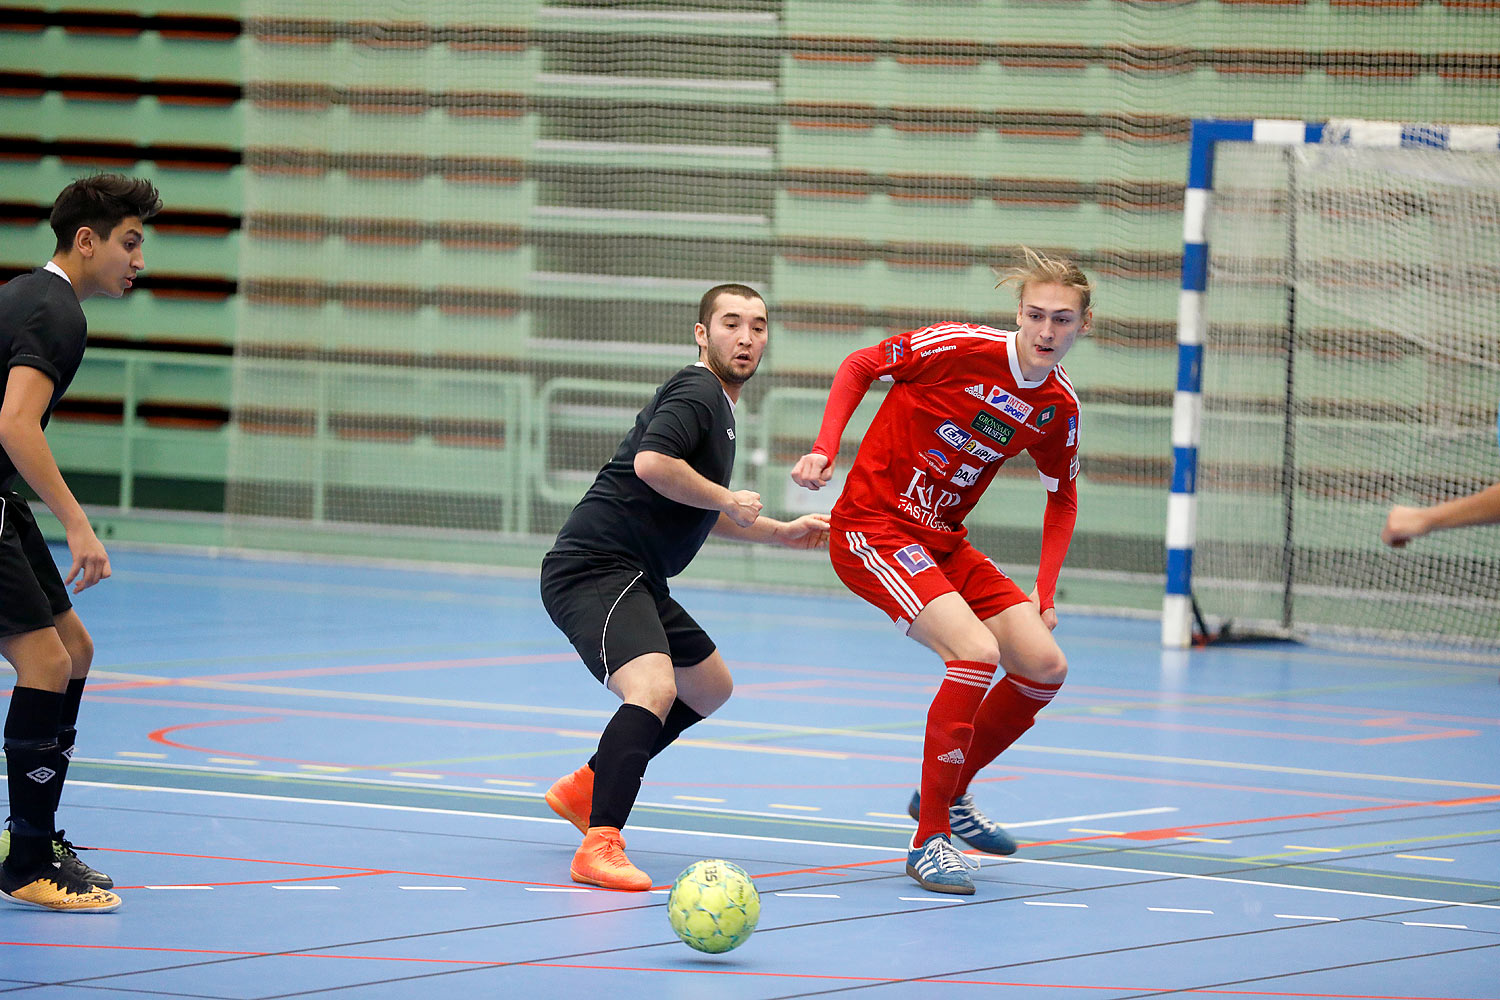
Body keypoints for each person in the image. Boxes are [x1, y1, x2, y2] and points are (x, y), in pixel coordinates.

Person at [790, 247, 1088, 895]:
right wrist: (823, 448)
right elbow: (862, 364)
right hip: (874, 527)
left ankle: (946, 793)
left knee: (1044, 666)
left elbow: (1062, 496)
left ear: (1081, 327)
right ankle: (929, 839)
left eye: (1062, 320)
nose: (1046, 332)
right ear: (1017, 313)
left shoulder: (1057, 407)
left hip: (943, 541)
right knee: (976, 653)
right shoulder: (959, 347)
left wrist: (1045, 585)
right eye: (1035, 315)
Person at [541, 283, 830, 891]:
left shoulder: (722, 409)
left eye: (758, 325)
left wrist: (778, 531)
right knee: (652, 686)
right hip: (596, 565)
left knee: (710, 684)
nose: (746, 337)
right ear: (703, 333)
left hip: (638, 576)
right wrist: (728, 495)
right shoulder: (698, 390)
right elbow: (653, 465)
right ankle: (600, 843)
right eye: (731, 323)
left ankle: (590, 785)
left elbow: (691, 502)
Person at [1, 173, 160, 913]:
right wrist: (77, 521)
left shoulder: (35, 298)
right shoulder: (54, 310)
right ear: (86, 241)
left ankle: (33, 835)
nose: (138, 260)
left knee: (76, 652)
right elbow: (15, 424)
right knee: (44, 660)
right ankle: (28, 860)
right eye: (129, 243)